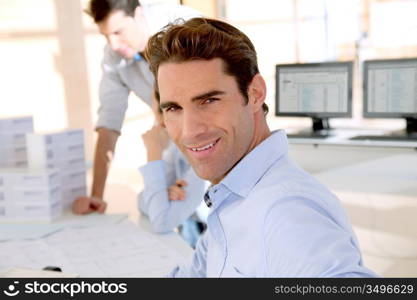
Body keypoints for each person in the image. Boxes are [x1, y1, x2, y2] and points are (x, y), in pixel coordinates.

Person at [144, 17, 377, 277]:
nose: (189, 131)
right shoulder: (232, 195)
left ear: (255, 94)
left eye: (209, 100)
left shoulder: (287, 209)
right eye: (174, 108)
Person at [72, 0, 201, 214]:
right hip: (173, 146)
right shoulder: (114, 56)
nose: (113, 44)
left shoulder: (186, 26)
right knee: (163, 207)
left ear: (139, 14)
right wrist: (96, 197)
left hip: (210, 138)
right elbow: (108, 124)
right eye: (105, 36)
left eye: (118, 32)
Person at [138, 93, 208, 247]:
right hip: (191, 232)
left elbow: (161, 222)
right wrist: (163, 194)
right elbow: (143, 202)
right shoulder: (175, 150)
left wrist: (153, 152)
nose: (160, 122)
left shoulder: (202, 148)